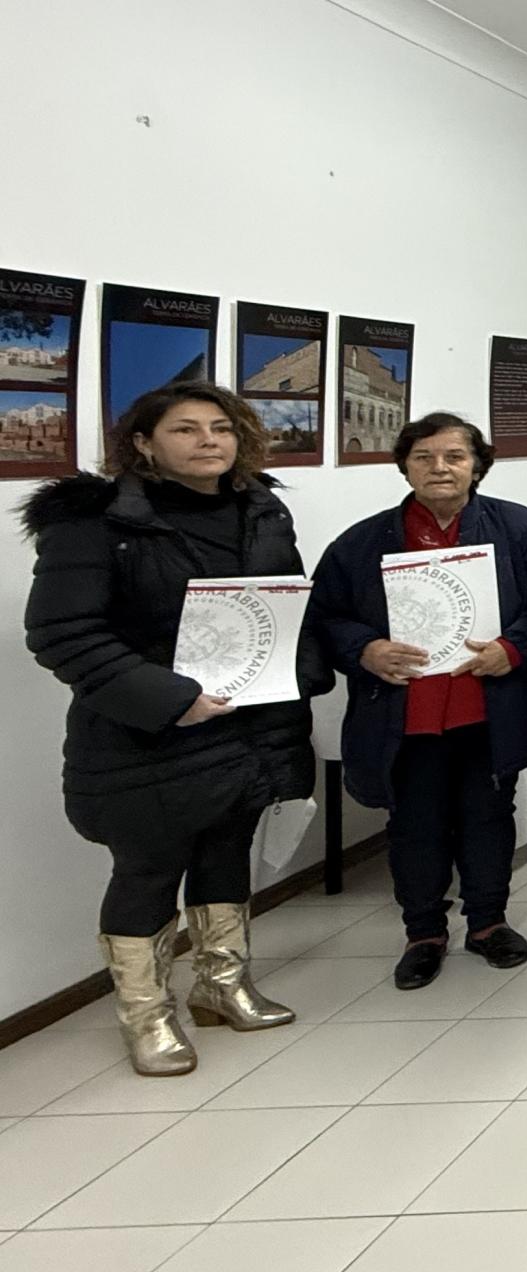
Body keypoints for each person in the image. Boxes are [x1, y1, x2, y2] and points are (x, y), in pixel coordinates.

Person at [22, 383, 319, 1074]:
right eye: (185, 429)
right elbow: (63, 633)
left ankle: (222, 985)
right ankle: (147, 1015)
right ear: (143, 443)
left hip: (246, 726)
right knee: (148, 870)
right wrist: (173, 700)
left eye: (222, 427)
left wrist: (295, 672)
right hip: (146, 734)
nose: (208, 440)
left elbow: (285, 608)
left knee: (227, 853)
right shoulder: (92, 522)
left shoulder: (261, 510)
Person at [309, 414, 527, 990]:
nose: (439, 468)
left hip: (487, 708)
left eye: (454, 456)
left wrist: (514, 648)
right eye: (424, 457)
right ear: (404, 466)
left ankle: (488, 923)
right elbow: (323, 617)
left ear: (477, 466)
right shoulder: (362, 542)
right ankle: (423, 933)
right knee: (414, 825)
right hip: (406, 715)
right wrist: (365, 649)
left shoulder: (519, 528)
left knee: (488, 817)